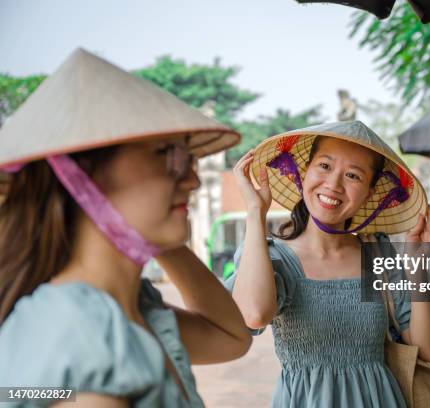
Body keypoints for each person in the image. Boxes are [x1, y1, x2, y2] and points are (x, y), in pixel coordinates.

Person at [0, 49, 251, 407]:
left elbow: (232, 337)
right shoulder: (78, 330)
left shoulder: (131, 307)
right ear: (81, 176)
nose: (193, 179)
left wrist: (151, 225)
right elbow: (251, 318)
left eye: (190, 158)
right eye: (170, 155)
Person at [226, 121, 430, 407]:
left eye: (353, 175)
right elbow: (253, 315)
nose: (334, 184)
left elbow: (425, 349)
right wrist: (255, 212)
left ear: (369, 192)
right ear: (304, 172)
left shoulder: (378, 255)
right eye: (325, 166)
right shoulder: (271, 258)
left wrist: (416, 265)